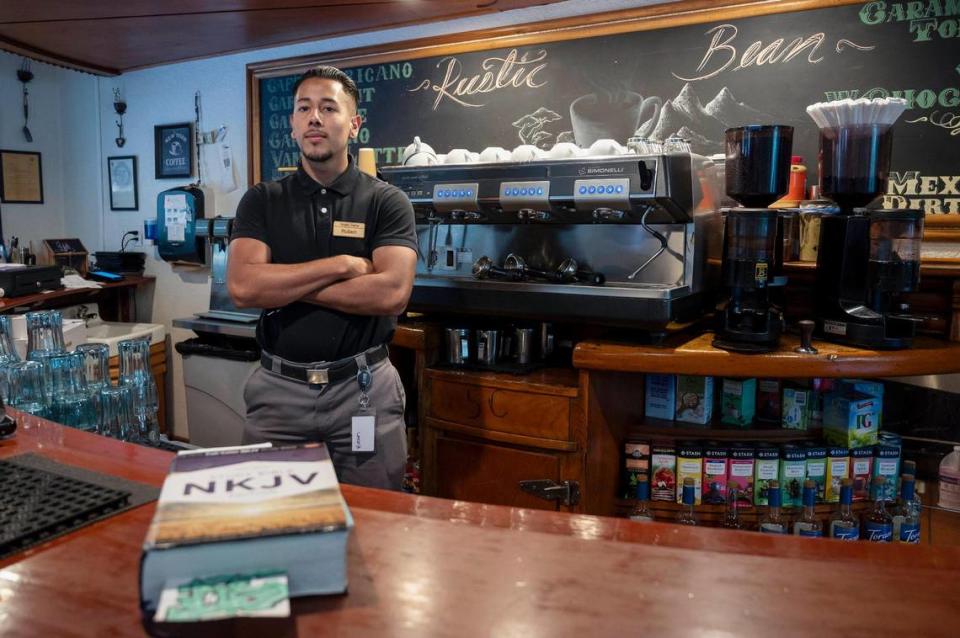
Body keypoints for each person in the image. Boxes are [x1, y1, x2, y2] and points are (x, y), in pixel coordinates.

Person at [227, 65, 418, 490]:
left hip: (364, 390)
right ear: (293, 125)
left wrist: (284, 285)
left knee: (376, 521)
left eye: (329, 108)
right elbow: (243, 287)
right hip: (278, 393)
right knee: (273, 523)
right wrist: (342, 266)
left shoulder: (387, 201)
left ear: (353, 125)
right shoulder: (262, 201)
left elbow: (391, 293)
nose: (315, 117)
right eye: (304, 108)